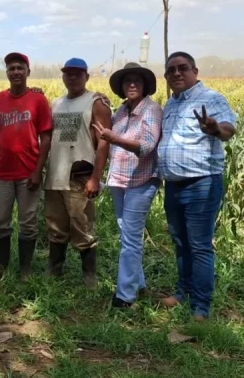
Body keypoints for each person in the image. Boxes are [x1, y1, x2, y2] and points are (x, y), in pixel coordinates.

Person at [157, 51, 237, 321]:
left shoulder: (211, 99)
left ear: (195, 71)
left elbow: (228, 129)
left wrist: (214, 129)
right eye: (171, 70)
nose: (177, 73)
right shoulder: (171, 104)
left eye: (183, 68)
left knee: (200, 245)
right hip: (174, 185)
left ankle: (200, 306)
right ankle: (183, 291)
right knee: (180, 242)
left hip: (202, 183)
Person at [92, 62, 162, 307]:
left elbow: (147, 146)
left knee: (130, 239)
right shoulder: (121, 111)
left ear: (145, 86)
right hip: (119, 179)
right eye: (127, 81)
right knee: (127, 235)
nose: (132, 84)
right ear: (121, 87)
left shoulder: (151, 110)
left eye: (137, 81)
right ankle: (138, 284)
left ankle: (125, 296)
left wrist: (115, 138)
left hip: (141, 181)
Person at [0, 52, 52, 282]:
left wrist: (37, 171)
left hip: (28, 173)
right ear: (7, 73)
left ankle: (25, 269)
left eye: (20, 68)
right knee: (0, 222)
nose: (16, 72)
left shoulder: (38, 100)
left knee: (28, 223)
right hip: (2, 173)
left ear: (28, 72)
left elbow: (46, 138)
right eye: (11, 68)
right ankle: (0, 267)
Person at [44, 58, 112, 289]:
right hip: (55, 174)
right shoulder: (56, 104)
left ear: (86, 77)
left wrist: (95, 178)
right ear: (63, 76)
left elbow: (104, 143)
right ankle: (55, 272)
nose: (72, 78)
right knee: (55, 226)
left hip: (80, 175)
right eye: (68, 73)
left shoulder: (96, 103)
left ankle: (89, 278)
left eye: (77, 74)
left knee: (82, 226)